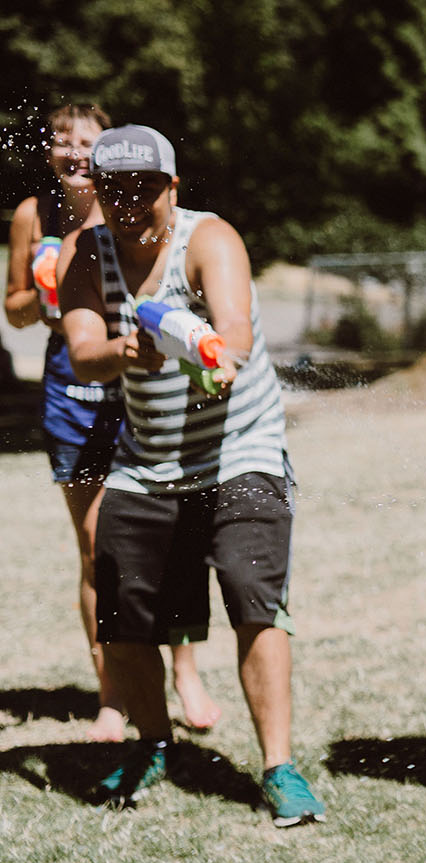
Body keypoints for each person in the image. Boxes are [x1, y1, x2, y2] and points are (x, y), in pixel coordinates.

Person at [57, 125, 324, 826]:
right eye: (113, 185)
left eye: (144, 185)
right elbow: (84, 354)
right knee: (123, 605)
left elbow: (233, 327)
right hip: (148, 460)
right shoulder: (87, 252)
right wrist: (126, 350)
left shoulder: (209, 239)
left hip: (243, 445)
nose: (128, 198)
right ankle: (151, 744)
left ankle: (279, 767)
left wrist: (213, 356)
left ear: (172, 187)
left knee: (250, 588)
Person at [5, 104, 220, 743]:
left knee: (169, 535)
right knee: (97, 548)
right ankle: (112, 694)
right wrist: (53, 300)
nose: (74, 152)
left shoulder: (134, 205)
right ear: (50, 152)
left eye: (87, 142)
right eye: (62, 141)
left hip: (139, 392)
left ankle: (184, 671)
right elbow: (13, 308)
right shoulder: (32, 216)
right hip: (71, 393)